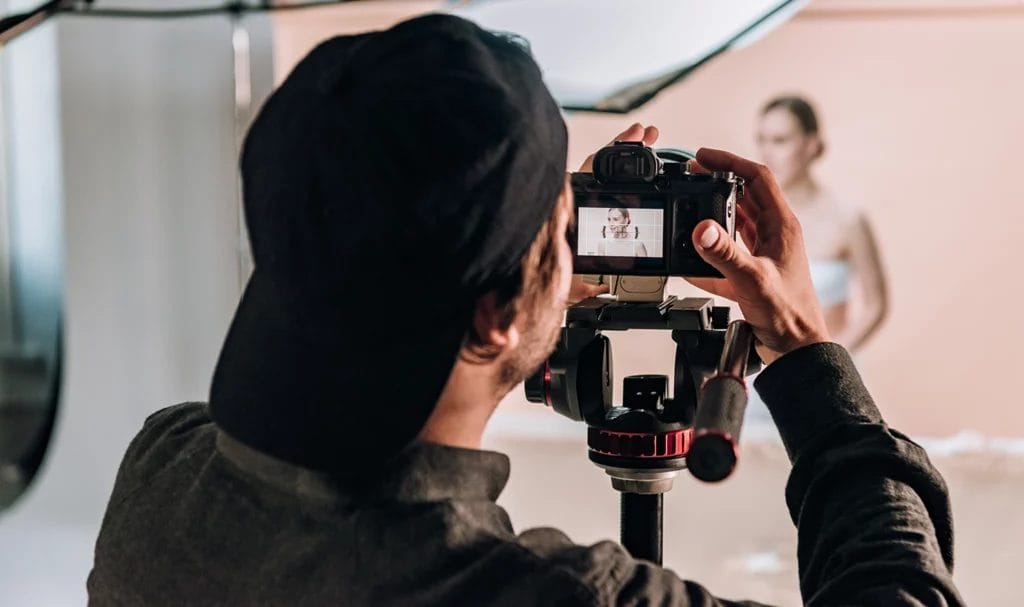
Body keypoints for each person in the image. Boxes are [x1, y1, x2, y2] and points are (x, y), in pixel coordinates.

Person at [88, 15, 963, 606]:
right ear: (495, 314)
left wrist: (521, 281)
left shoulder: (159, 474)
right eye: (562, 219)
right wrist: (807, 349)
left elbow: (360, 277)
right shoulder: (550, 594)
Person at [756, 95, 888, 351]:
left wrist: (834, 361)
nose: (767, 152)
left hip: (828, 373)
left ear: (811, 145)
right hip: (764, 374)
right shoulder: (755, 220)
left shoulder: (847, 220)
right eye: (761, 140)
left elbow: (876, 306)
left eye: (780, 140)